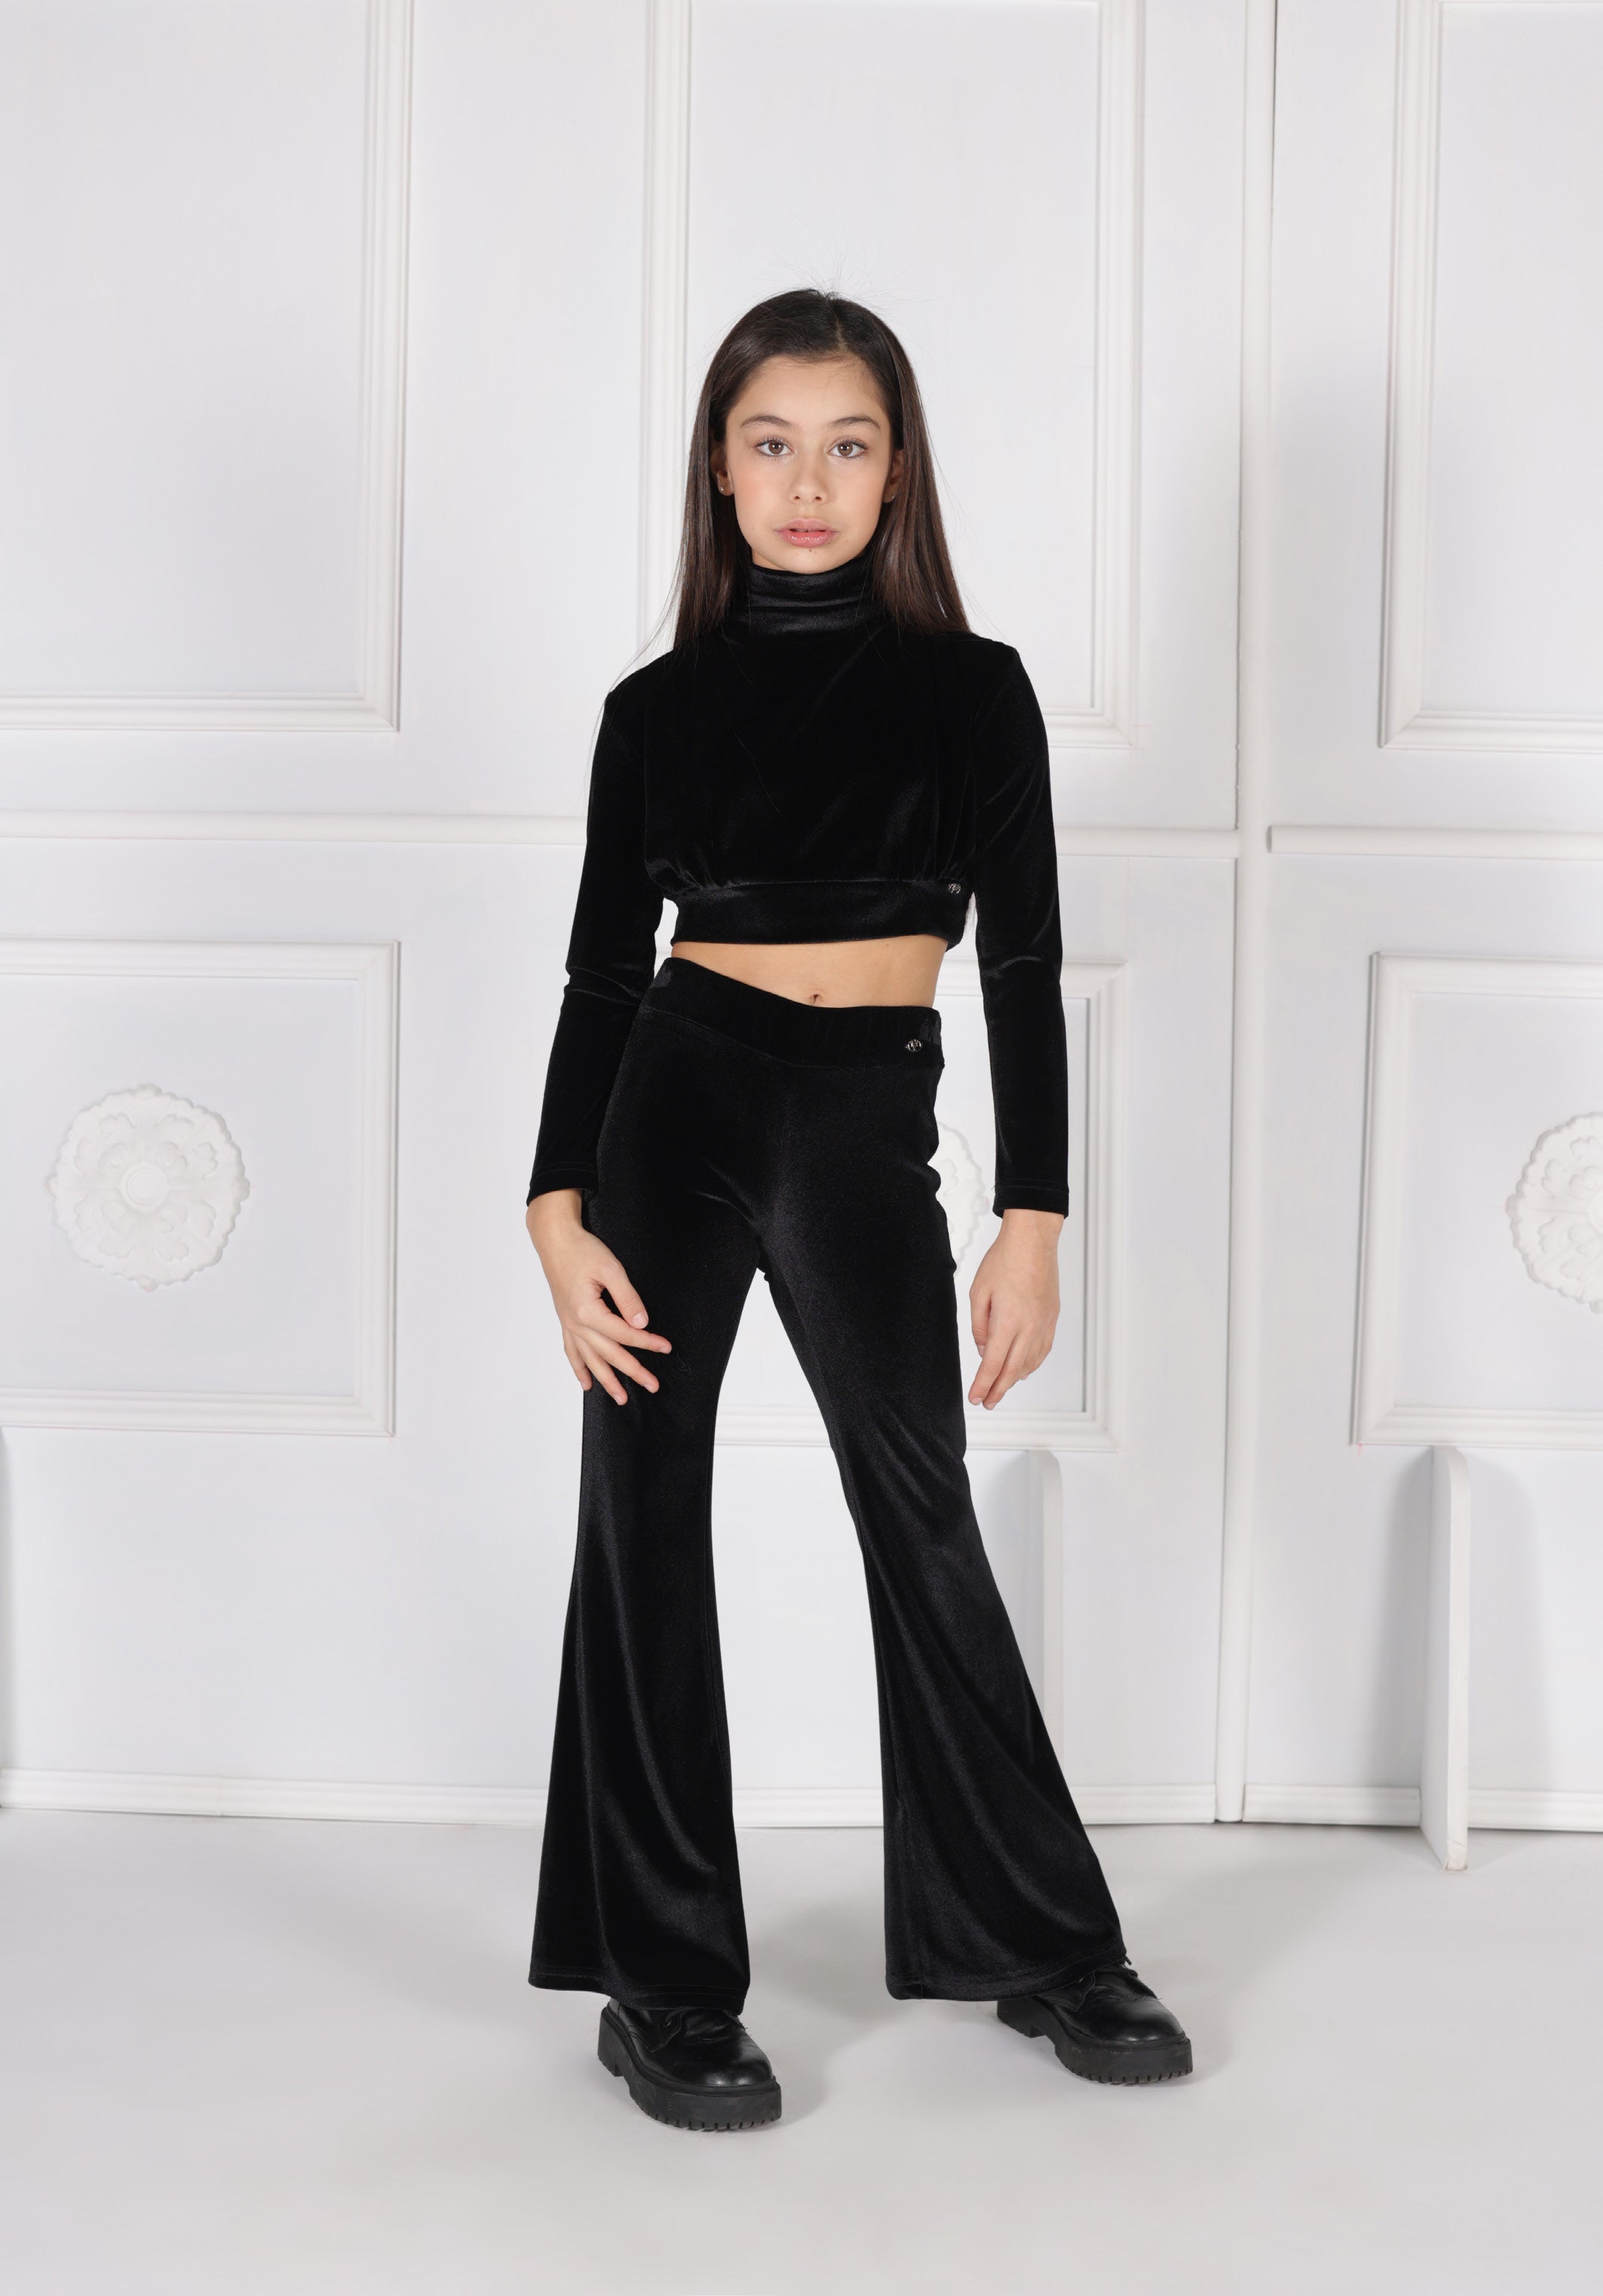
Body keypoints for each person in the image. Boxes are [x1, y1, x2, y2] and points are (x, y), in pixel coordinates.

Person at [523, 289, 1191, 2131]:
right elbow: (601, 974)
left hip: (859, 1118)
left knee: (919, 1505)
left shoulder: (973, 692)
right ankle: (662, 1980)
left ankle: (1040, 1938)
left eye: (845, 443)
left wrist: (1034, 1212)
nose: (806, 480)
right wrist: (553, 1203)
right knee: (641, 1515)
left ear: (897, 473)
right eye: (770, 443)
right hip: (675, 1108)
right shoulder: (651, 712)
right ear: (718, 473)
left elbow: (1024, 964)